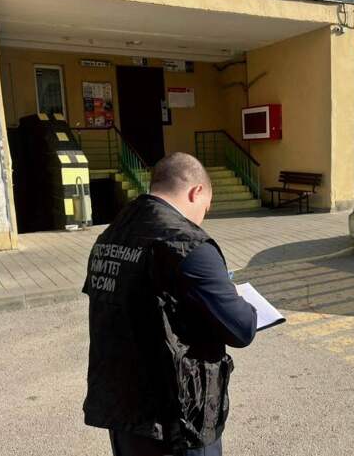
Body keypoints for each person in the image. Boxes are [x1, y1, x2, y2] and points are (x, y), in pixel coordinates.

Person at [82, 152, 257, 456]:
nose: (203, 216)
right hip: (179, 420)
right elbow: (242, 329)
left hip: (124, 411)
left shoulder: (112, 234)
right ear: (196, 192)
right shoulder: (188, 243)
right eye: (206, 207)